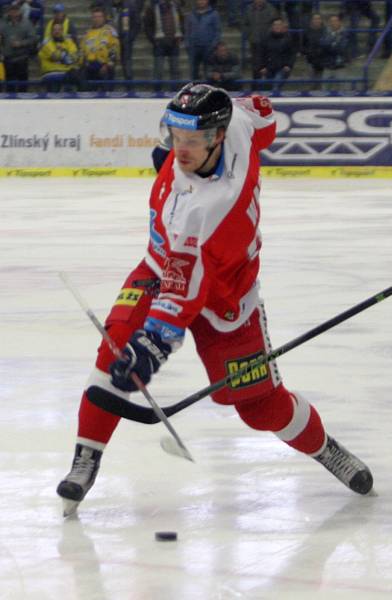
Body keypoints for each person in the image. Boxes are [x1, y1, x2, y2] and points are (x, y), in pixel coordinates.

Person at [56, 84, 374, 517]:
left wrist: (153, 347)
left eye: (191, 141)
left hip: (228, 299)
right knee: (115, 349)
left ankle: (325, 449)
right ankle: (85, 459)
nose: (179, 150)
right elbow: (264, 114)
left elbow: (181, 294)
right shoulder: (238, 123)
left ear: (218, 136)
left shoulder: (202, 209)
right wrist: (141, 343)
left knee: (261, 409)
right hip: (158, 269)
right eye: (175, 136)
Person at [80, 6, 120, 89]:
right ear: (92, 18)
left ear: (104, 18)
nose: (97, 19)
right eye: (95, 17)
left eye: (99, 17)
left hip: (105, 67)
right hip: (90, 67)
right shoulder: (87, 33)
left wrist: (107, 65)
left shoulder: (110, 31)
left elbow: (114, 50)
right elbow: (82, 51)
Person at [0, 1, 36, 93]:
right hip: (7, 58)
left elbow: (33, 39)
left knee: (23, 84)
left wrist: (21, 43)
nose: (14, 13)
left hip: (22, 58)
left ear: (20, 11)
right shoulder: (2, 24)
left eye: (16, 11)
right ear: (8, 12)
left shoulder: (27, 23)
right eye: (12, 11)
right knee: (9, 84)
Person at [38, 21, 81, 91]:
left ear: (62, 31)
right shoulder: (46, 43)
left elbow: (75, 57)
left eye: (59, 29)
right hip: (51, 73)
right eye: (54, 30)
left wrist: (63, 51)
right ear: (51, 32)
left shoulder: (69, 42)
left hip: (66, 73)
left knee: (78, 78)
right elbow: (55, 56)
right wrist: (66, 55)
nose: (57, 32)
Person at [185, 0, 221, 81]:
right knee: (193, 73)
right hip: (194, 47)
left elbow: (217, 31)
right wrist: (187, 44)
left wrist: (213, 45)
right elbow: (187, 31)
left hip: (208, 48)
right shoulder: (190, 15)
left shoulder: (214, 14)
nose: (201, 2)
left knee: (208, 73)